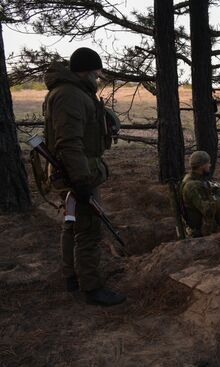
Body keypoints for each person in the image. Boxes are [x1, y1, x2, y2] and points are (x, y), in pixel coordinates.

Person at [43, 47, 126, 306]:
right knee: (89, 231)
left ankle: (71, 276)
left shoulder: (67, 92)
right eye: (97, 73)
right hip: (78, 175)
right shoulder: (71, 95)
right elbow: (69, 142)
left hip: (71, 172)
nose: (98, 78)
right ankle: (92, 288)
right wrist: (80, 182)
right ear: (87, 71)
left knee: (72, 223)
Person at [181, 151, 220, 237]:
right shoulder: (192, 186)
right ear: (202, 165)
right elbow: (208, 210)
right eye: (208, 163)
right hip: (200, 229)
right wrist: (219, 196)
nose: (210, 165)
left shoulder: (194, 178)